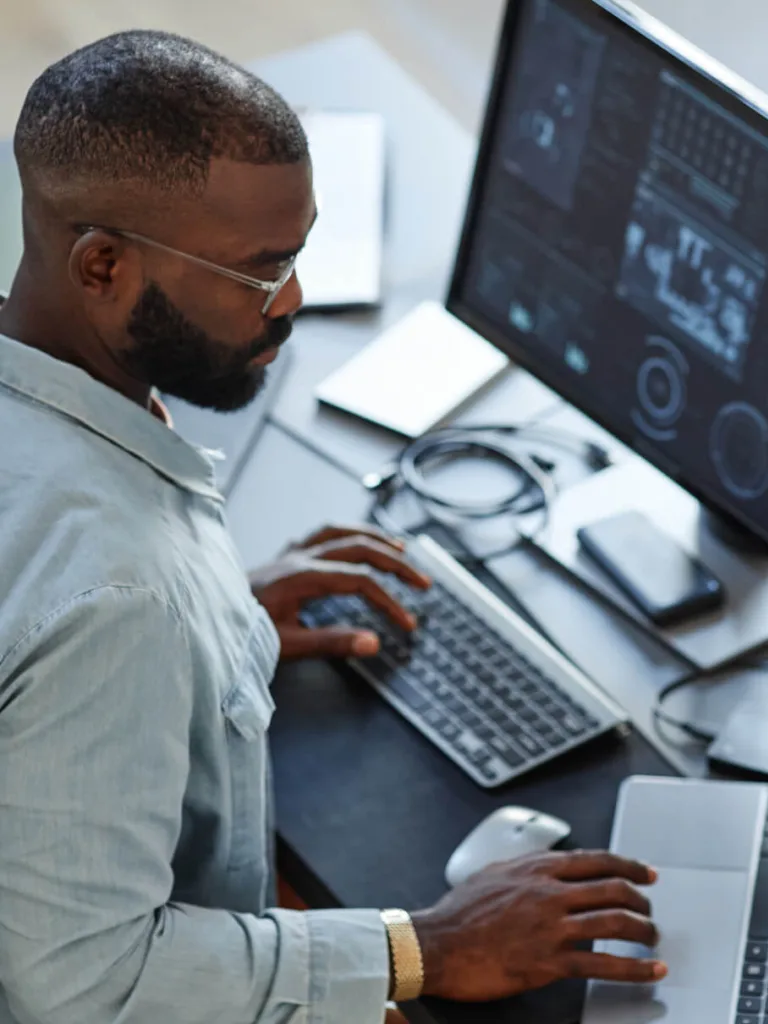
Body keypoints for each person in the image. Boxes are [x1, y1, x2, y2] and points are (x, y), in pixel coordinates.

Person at [0, 30, 668, 1024]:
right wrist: (423, 946)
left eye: (299, 252)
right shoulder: (118, 599)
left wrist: (220, 630)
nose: (294, 302)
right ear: (102, 265)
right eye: (259, 271)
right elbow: (88, 983)